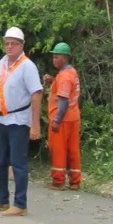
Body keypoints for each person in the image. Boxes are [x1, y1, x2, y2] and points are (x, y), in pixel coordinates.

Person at [0, 27, 43, 216]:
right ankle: (0, 198)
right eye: (7, 43)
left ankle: (20, 204)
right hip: (1, 118)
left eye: (13, 44)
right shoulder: (2, 63)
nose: (9, 47)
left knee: (18, 162)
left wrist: (35, 124)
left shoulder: (27, 66)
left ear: (21, 45)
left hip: (18, 119)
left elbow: (37, 94)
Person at [44, 42, 81, 191]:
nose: (54, 60)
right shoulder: (72, 72)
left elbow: (64, 100)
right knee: (73, 149)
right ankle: (75, 181)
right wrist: (53, 81)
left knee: (58, 149)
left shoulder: (65, 76)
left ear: (64, 58)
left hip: (63, 119)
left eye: (56, 57)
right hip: (73, 117)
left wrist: (57, 120)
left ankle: (58, 181)